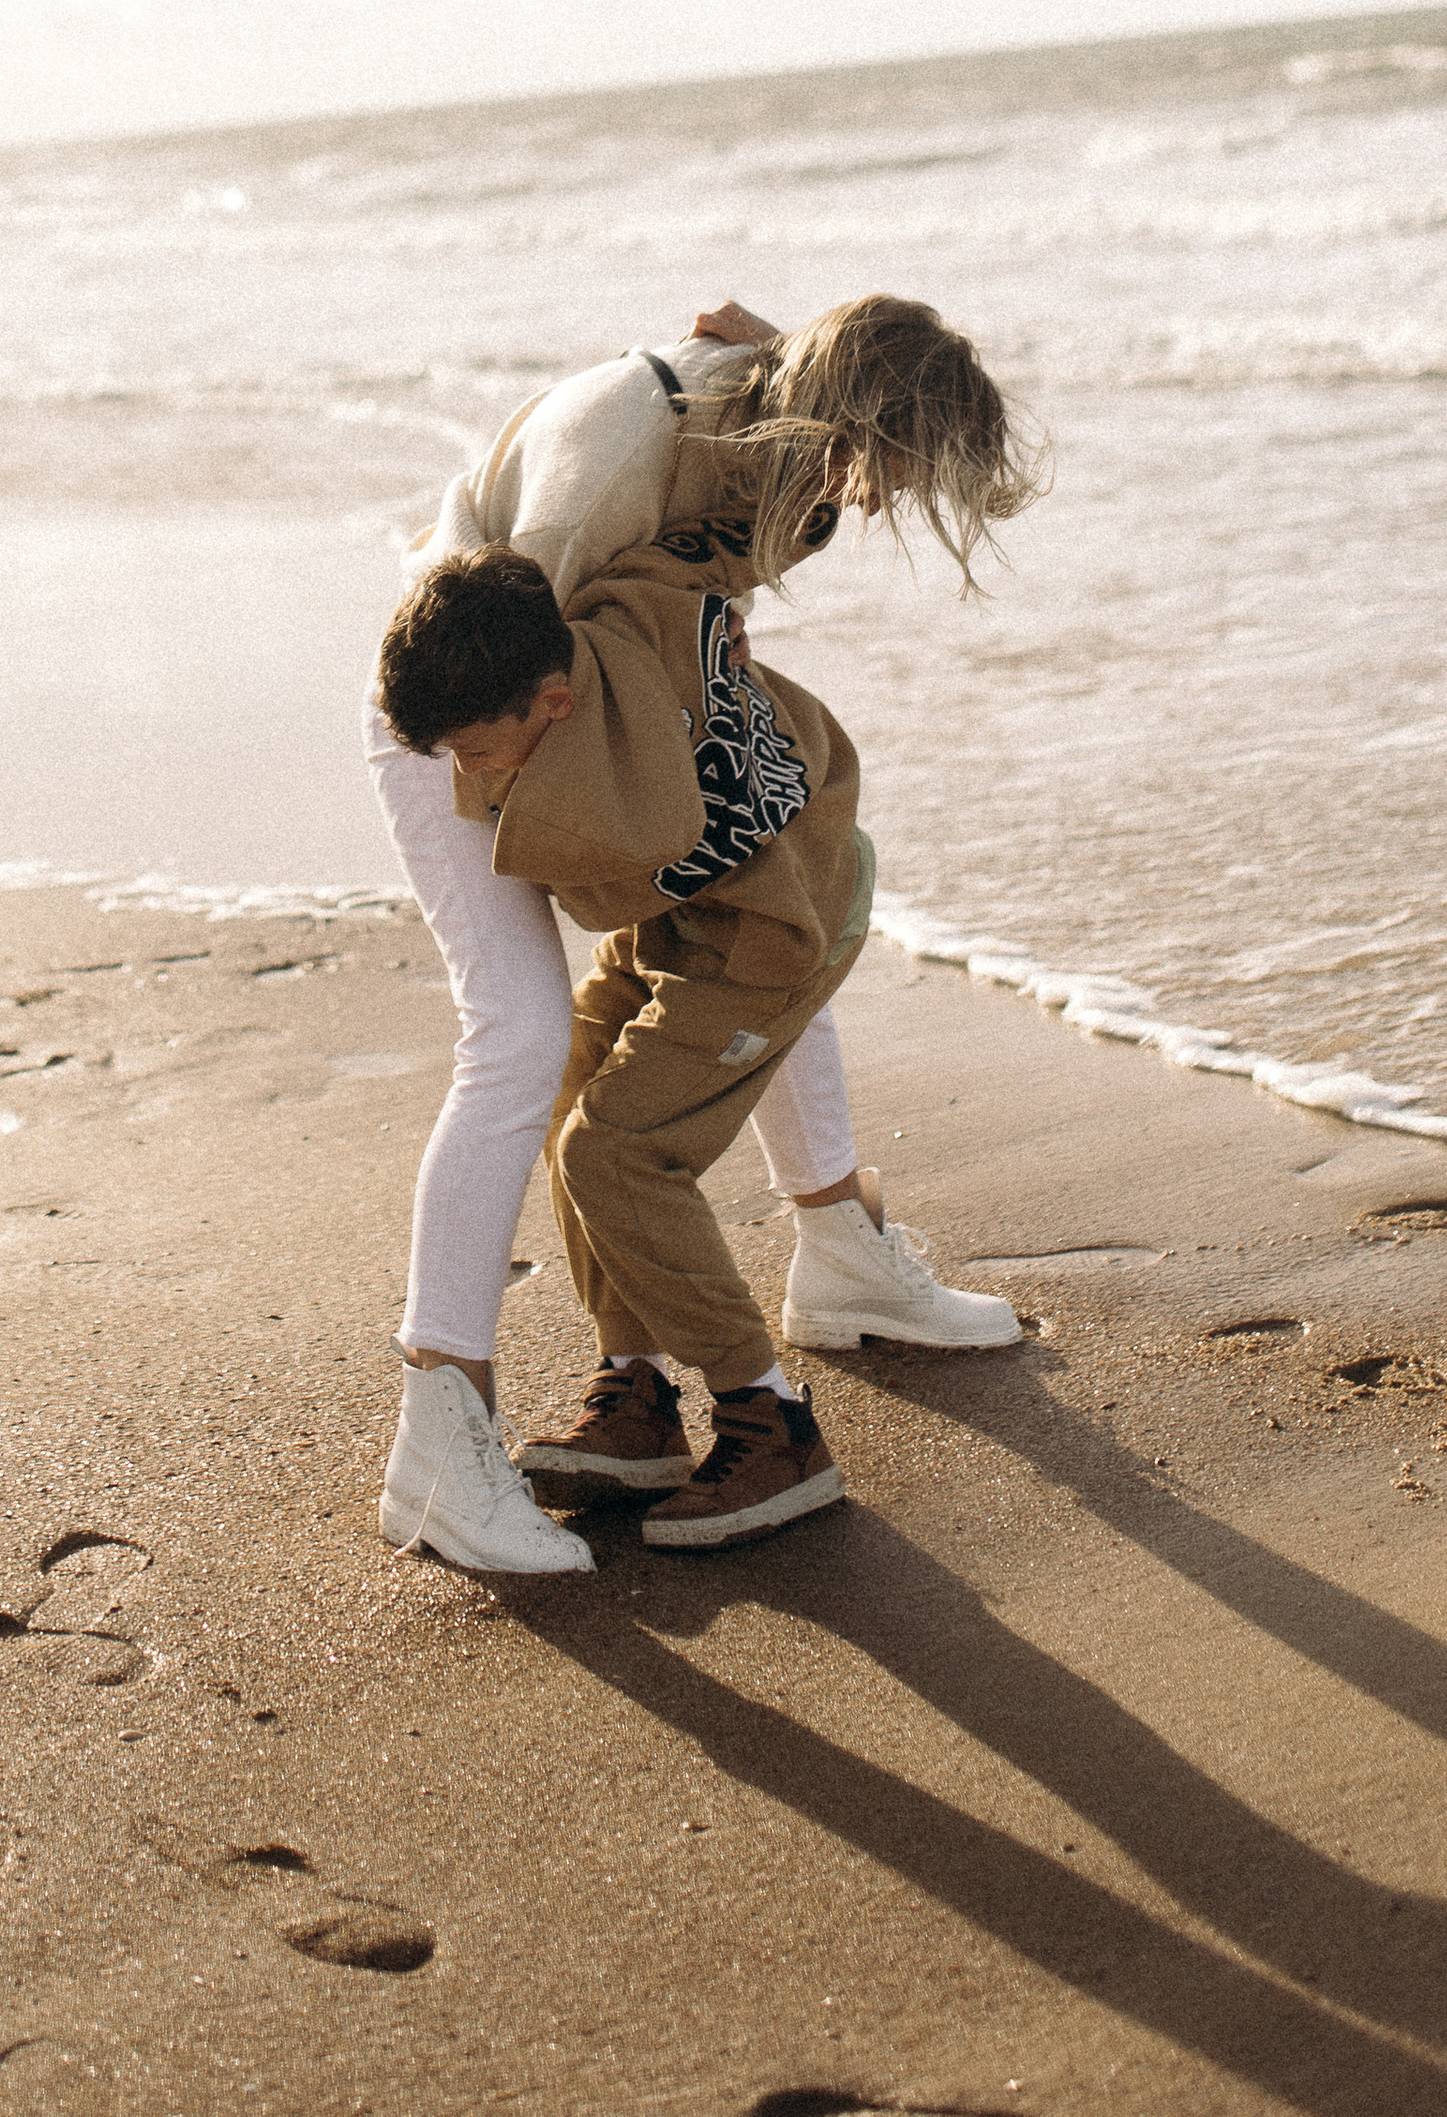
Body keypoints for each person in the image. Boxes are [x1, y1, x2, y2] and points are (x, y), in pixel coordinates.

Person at [367, 294, 1041, 1576]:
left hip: (613, 716)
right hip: (469, 708)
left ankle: (826, 1265)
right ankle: (443, 1437)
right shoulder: (621, 445)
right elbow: (504, 639)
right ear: (846, 413)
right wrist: (604, 803)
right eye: (892, 464)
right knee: (524, 1048)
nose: (884, 501)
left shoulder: (789, 442)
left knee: (734, 951)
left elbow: (678, 614)